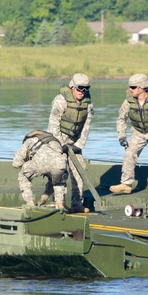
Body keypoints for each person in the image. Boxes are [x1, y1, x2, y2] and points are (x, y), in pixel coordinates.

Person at [47, 73, 93, 212]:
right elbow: (53, 125)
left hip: (74, 141)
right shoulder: (60, 101)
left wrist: (79, 145)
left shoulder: (88, 104)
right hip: (57, 140)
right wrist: (61, 144)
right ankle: (58, 202)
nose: (82, 92)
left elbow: (86, 125)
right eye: (80, 88)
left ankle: (77, 203)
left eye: (86, 88)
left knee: (79, 170)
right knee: (60, 170)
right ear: (72, 87)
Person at [12, 130, 68, 209]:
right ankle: (58, 202)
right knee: (57, 180)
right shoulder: (53, 140)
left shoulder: (29, 140)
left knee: (23, 175)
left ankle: (29, 203)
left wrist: (26, 164)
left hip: (41, 161)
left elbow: (16, 164)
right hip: (60, 163)